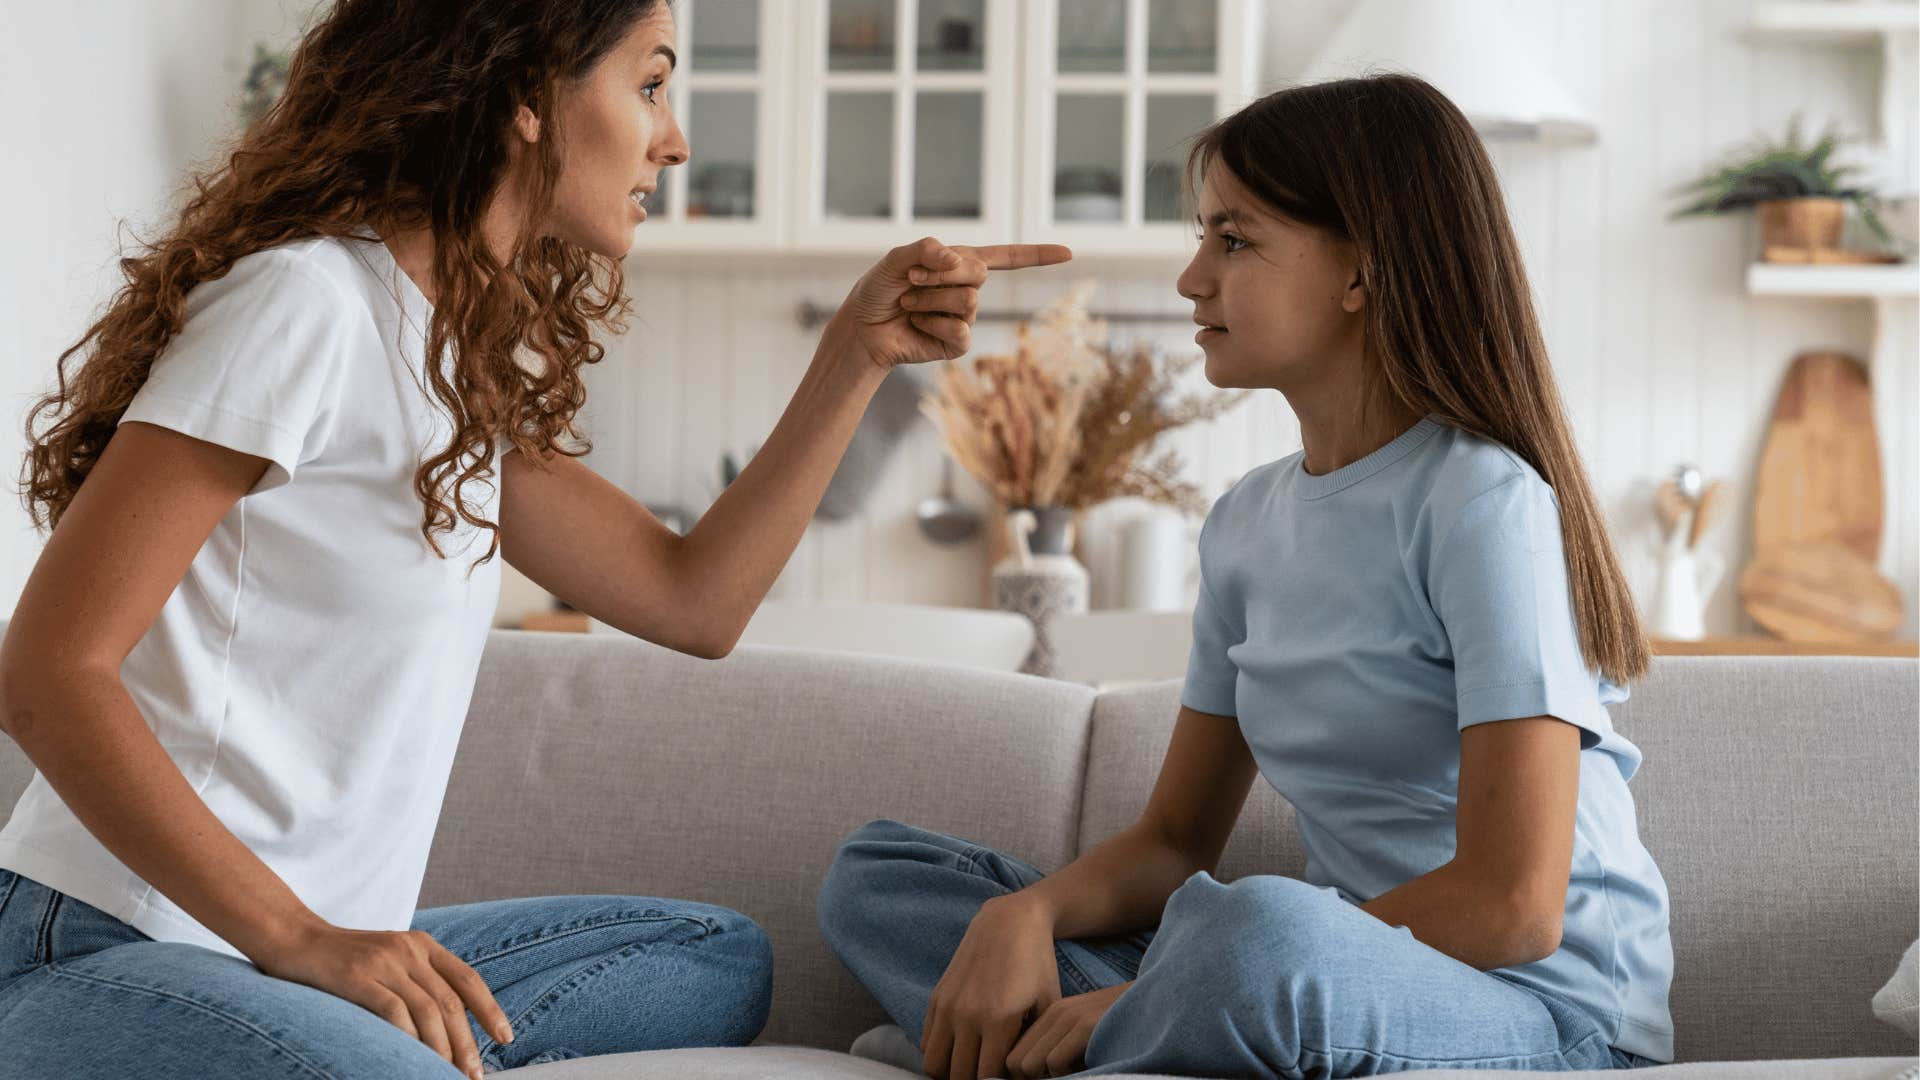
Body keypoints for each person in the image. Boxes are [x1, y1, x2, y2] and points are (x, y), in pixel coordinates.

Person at [0, 2, 1067, 1077]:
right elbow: (49, 668)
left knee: (714, 958)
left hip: (310, 959)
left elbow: (693, 602)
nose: (676, 137)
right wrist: (303, 940)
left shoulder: (447, 361)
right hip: (114, 936)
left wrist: (857, 351)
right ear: (522, 95)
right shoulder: (304, 302)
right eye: (649, 84)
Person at [817, 73, 1674, 1080]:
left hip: (1543, 1016)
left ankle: (1047, 1047)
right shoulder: (1244, 525)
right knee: (877, 879)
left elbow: (1515, 907)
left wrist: (1161, 984)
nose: (1191, 278)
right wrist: (1028, 911)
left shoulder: (1484, 504)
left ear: (1362, 269)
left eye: (1233, 239)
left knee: (1268, 933)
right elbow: (1177, 838)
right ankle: (1114, 1042)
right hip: (1334, 980)